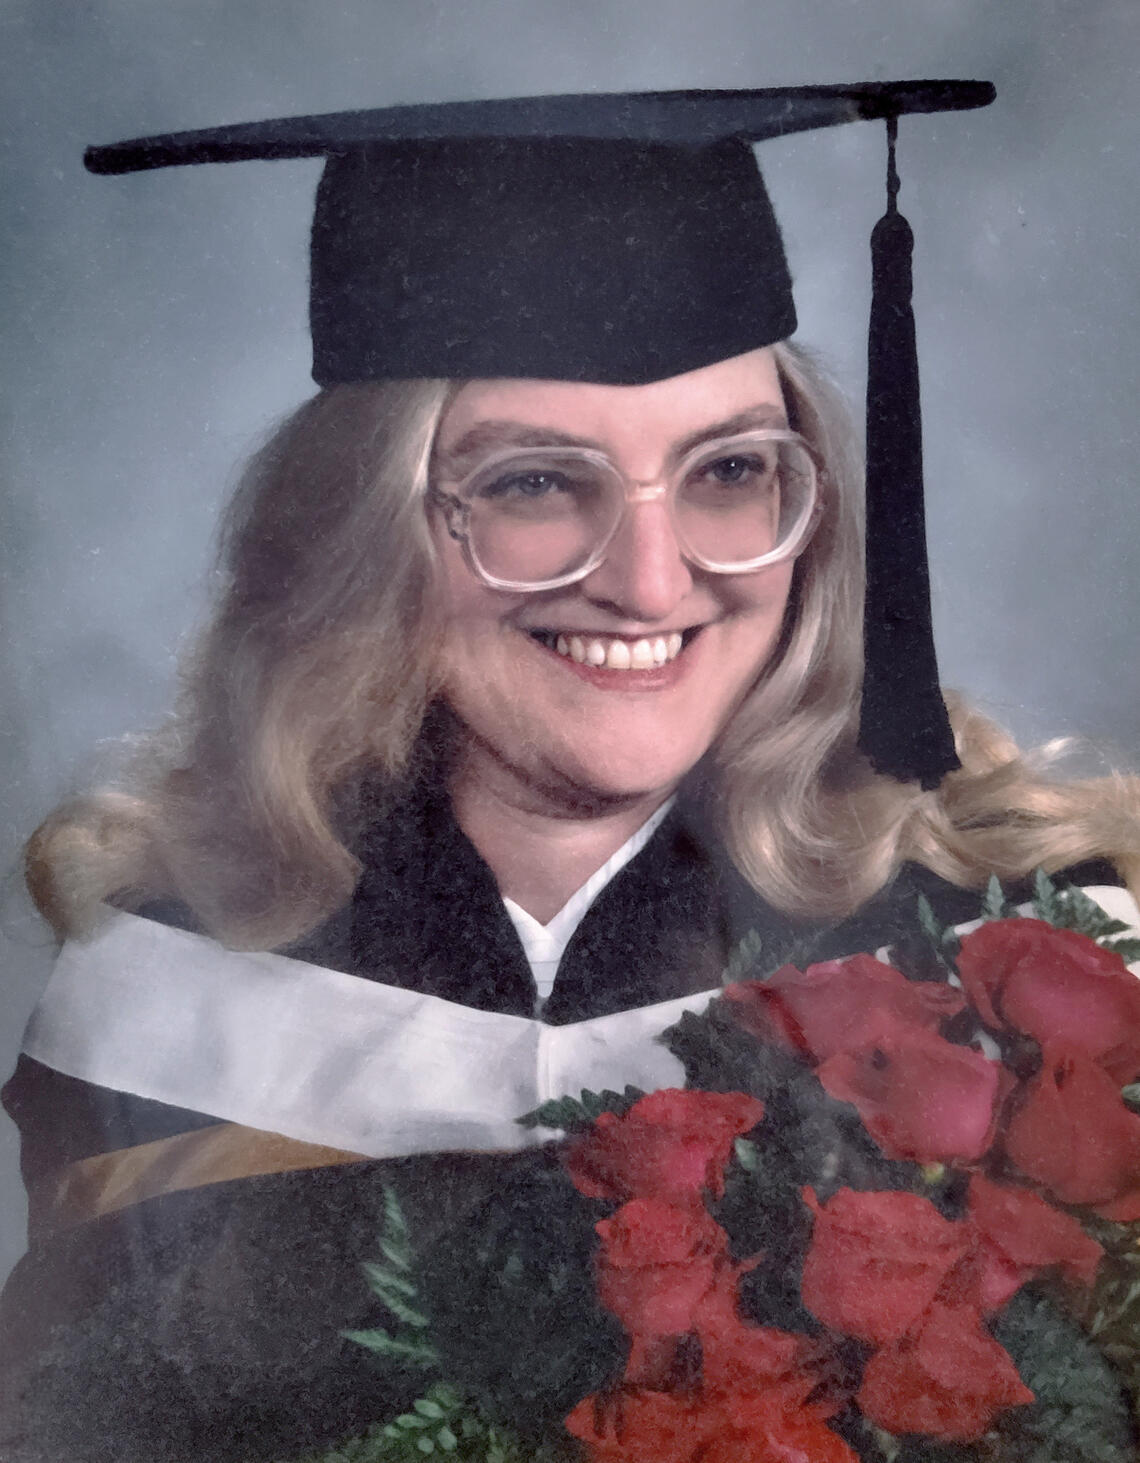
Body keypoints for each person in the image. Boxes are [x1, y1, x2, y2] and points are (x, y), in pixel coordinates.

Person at [1, 84, 1138, 1462]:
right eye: (535, 486)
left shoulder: (1020, 973)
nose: (650, 580)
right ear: (366, 530)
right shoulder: (170, 1001)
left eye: (729, 471)